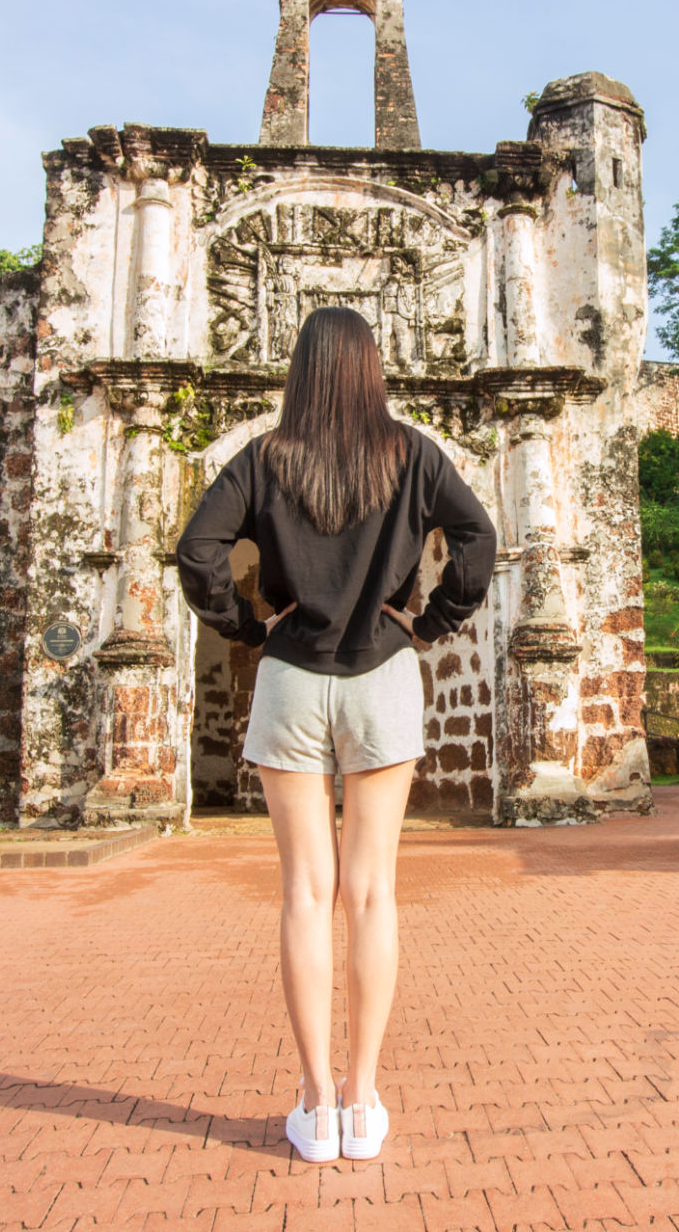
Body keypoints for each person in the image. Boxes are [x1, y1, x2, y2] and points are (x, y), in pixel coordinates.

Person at [176, 307, 495, 1163]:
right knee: (372, 893)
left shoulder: (266, 458)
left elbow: (196, 547)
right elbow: (479, 538)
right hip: (382, 677)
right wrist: (429, 622)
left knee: (304, 894)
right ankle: (362, 1096)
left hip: (290, 676)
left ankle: (315, 1103)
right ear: (370, 369)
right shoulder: (413, 453)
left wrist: (246, 624)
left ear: (302, 370)